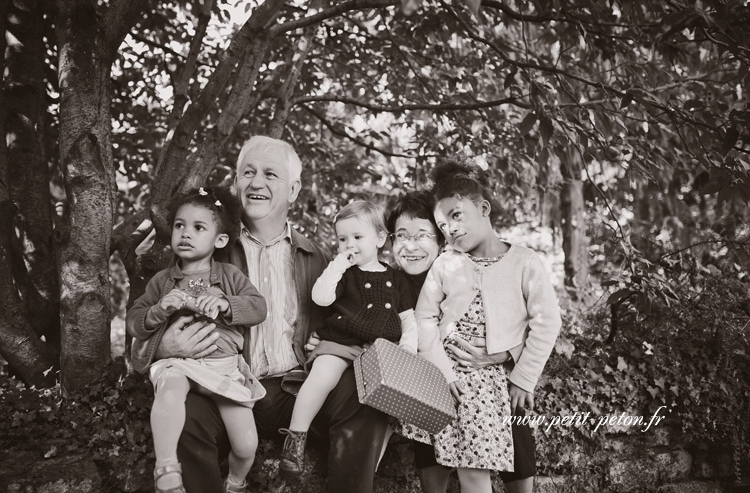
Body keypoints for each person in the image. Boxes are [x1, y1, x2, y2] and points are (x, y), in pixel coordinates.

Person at [130, 136, 390, 493]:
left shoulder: (320, 261)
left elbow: (352, 322)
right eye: (247, 172)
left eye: (271, 174)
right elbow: (145, 324)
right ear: (235, 183)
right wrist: (163, 347)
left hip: (297, 390)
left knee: (362, 398)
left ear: (294, 189)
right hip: (224, 386)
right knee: (185, 414)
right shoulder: (207, 251)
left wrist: (326, 340)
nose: (256, 182)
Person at [416, 161, 562, 493]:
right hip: (448, 381)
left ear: (483, 208)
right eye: (442, 225)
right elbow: (425, 317)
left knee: (478, 465)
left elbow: (547, 321)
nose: (450, 229)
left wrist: (522, 377)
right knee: (466, 470)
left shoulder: (524, 262)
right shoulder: (445, 263)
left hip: (493, 385)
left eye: (456, 215)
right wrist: (443, 370)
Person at [126, 187, 268, 493]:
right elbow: (134, 322)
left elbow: (259, 307)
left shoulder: (229, 276)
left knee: (245, 445)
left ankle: (235, 481)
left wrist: (227, 304)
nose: (185, 233)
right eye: (179, 225)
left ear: (219, 240)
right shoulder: (163, 282)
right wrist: (158, 310)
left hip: (225, 369)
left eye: (198, 227)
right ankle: (166, 470)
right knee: (170, 389)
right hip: (180, 363)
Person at [278, 200, 418, 478]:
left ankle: (367, 466)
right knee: (323, 376)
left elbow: (408, 320)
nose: (349, 244)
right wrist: (337, 265)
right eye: (342, 239)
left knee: (386, 406)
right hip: (341, 342)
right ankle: (295, 439)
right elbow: (321, 297)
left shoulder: (397, 279)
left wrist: (407, 348)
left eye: (357, 237)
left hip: (380, 351)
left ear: (380, 239)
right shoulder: (344, 274)